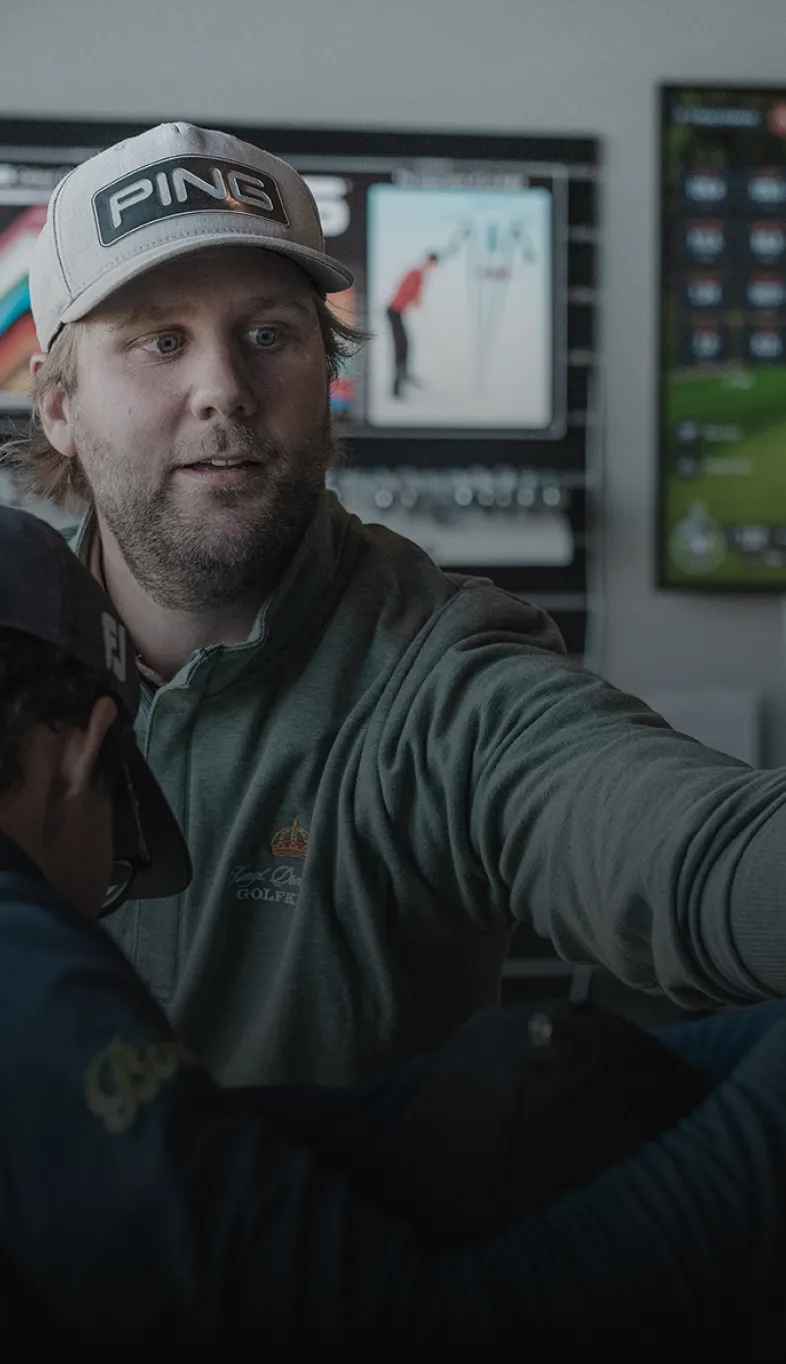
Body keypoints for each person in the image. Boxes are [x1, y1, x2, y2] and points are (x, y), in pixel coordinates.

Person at [4, 119, 786, 1094]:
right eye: (163, 339)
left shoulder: (442, 665)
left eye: (269, 334)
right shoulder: (15, 649)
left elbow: (692, 857)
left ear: (325, 376)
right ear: (59, 407)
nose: (224, 390)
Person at [1, 501, 786, 1338]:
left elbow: (209, 1146)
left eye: (269, 353)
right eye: (128, 849)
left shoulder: (435, 655)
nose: (220, 388)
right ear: (81, 756)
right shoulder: (25, 963)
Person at [385, 251, 440, 396]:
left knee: (405, 346)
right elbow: (407, 291)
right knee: (401, 347)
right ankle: (397, 388)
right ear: (430, 262)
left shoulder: (419, 274)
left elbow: (411, 293)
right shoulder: (417, 274)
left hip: (398, 312)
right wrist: (416, 300)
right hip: (394, 312)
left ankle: (404, 377)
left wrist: (416, 300)